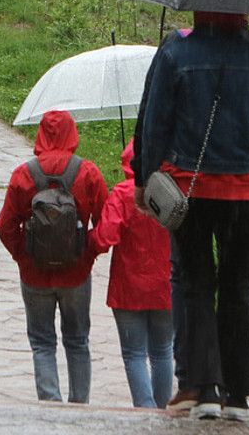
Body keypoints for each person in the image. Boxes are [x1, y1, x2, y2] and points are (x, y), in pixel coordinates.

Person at [132, 11, 249, 421]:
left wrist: (145, 176)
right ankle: (237, 394)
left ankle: (203, 389)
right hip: (247, 187)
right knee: (238, 285)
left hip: (189, 185)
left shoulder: (175, 51)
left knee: (195, 282)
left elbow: (155, 116)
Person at [0, 109, 108, 403]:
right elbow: (107, 224)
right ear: (73, 134)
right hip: (76, 274)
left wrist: (23, 255)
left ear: (41, 135)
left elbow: (4, 225)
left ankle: (50, 405)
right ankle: (79, 405)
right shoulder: (88, 173)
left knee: (42, 342)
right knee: (78, 341)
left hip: (35, 275)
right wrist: (89, 252)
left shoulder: (24, 174)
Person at [89, 138, 173, 408]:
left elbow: (103, 239)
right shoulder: (173, 192)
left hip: (129, 288)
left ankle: (145, 411)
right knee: (162, 352)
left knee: (134, 353)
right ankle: (160, 412)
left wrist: (84, 238)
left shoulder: (123, 194)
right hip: (166, 284)